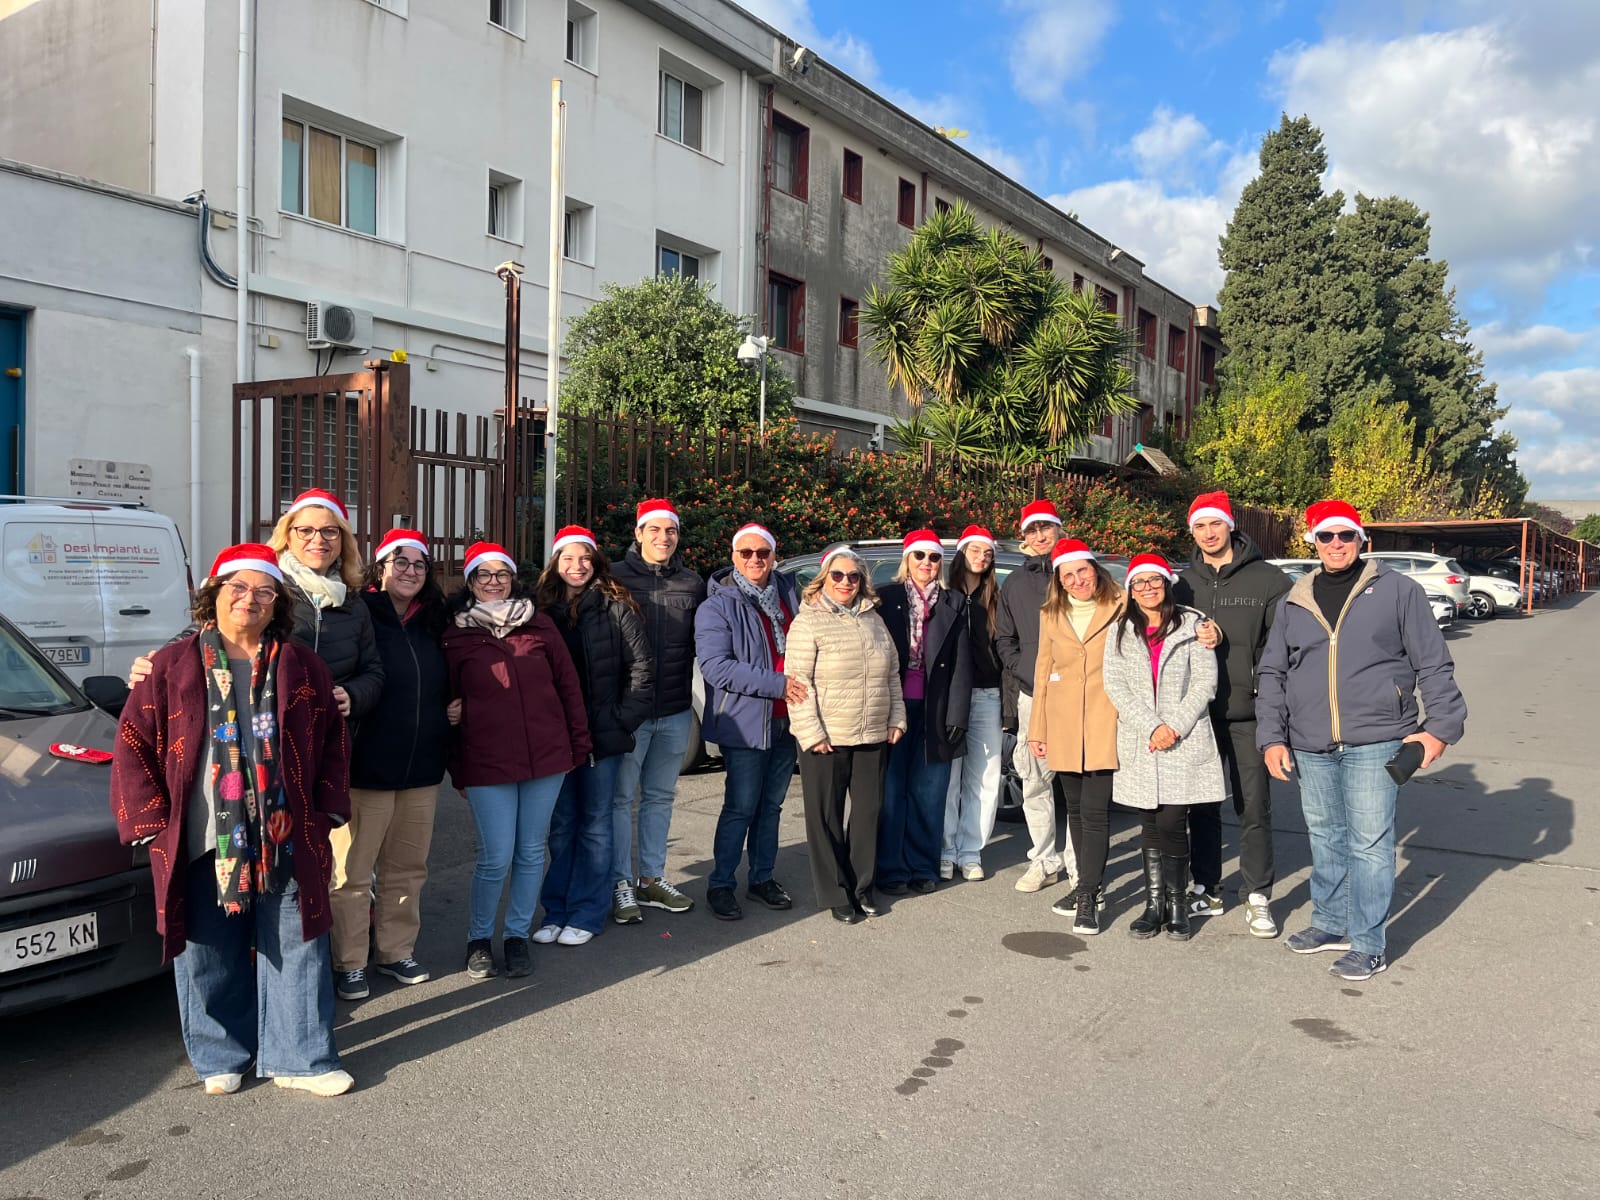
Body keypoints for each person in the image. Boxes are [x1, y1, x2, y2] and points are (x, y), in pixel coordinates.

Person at [110, 544, 354, 1097]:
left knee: (298, 943)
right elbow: (132, 742)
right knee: (205, 948)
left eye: (263, 591)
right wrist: (148, 819)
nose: (250, 599)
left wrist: (330, 807)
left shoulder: (303, 665)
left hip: (286, 832)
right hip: (200, 836)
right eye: (237, 588)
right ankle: (222, 1054)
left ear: (277, 605)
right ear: (214, 596)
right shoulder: (170, 666)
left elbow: (334, 741)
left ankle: (303, 1058)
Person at [1256, 500, 1467, 981]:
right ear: (1313, 541)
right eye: (1326, 536)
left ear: (1361, 539)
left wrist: (1440, 729)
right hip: (1310, 742)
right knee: (1326, 837)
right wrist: (1272, 736)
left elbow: (1433, 663)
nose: (1336, 544)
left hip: (1377, 738)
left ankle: (1369, 944)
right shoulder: (1296, 599)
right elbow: (1272, 672)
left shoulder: (1397, 591)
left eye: (1345, 536)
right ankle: (1330, 923)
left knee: (1370, 845)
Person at [442, 541, 591, 980]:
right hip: (488, 762)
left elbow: (569, 687)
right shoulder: (455, 635)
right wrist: (457, 765)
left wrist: (576, 747)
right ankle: (479, 938)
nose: (494, 582)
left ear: (513, 579)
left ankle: (515, 937)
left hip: (546, 758)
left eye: (501, 574)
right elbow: (445, 703)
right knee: (495, 857)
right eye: (484, 575)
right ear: (470, 583)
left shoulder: (540, 625)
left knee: (530, 853)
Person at [329, 529, 458, 1001]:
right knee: (351, 874)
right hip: (367, 768)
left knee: (407, 868)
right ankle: (348, 961)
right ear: (380, 568)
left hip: (422, 768)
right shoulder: (359, 613)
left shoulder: (435, 621)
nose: (409, 572)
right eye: (400, 563)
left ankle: (395, 951)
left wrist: (455, 704)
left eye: (419, 565)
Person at [1174, 491, 1291, 938]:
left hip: (1249, 714)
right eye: (1200, 526)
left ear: (1229, 526)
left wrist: (1270, 700)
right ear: (1193, 532)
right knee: (1202, 806)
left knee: (1253, 806)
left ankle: (1258, 895)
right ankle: (1206, 887)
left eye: (1215, 524)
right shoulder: (1182, 583)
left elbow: (1280, 648)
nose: (1208, 533)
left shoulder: (1268, 581)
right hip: (1197, 715)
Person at [534, 526, 654, 947]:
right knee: (562, 824)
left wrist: (622, 720)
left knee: (596, 825)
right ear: (556, 563)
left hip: (603, 736)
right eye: (568, 558)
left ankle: (587, 911)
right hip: (557, 736)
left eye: (585, 558)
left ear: (596, 562)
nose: (577, 566)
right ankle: (557, 910)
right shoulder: (541, 608)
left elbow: (641, 667)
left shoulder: (616, 604)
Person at [1100, 554, 1226, 942]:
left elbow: (1205, 683)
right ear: (1131, 590)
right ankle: (1154, 905)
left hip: (1182, 739)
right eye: (1140, 583)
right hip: (1142, 738)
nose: (1148, 588)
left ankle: (1177, 904)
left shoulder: (1193, 625)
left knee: (1172, 821)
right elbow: (1115, 684)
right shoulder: (1120, 630)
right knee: (1150, 822)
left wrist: (1173, 727)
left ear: (1166, 584)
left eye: (1155, 581)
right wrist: (1152, 726)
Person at [785, 546, 906, 923]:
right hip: (827, 736)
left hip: (872, 732)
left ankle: (862, 887)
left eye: (854, 576)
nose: (846, 582)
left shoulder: (873, 618)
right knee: (825, 817)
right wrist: (811, 732)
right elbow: (798, 683)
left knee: (868, 813)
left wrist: (896, 718)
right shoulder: (808, 622)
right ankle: (835, 892)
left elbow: (891, 674)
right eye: (838, 575)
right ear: (824, 579)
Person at [694, 522, 804, 921]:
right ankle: (721, 883)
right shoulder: (718, 605)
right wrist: (777, 684)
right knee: (740, 807)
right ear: (734, 558)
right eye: (747, 553)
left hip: (788, 720)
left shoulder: (792, 596)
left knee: (771, 807)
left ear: (775, 556)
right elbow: (716, 667)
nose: (755, 559)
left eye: (763, 553)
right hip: (745, 723)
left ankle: (762, 878)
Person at [609, 499, 706, 923]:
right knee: (619, 799)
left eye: (670, 531)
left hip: (675, 709)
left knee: (661, 798)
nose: (663, 538)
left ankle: (650, 880)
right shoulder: (613, 577)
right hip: (630, 713)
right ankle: (618, 884)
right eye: (654, 530)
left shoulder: (691, 581)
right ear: (638, 533)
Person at [1026, 539, 1123, 932]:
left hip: (1105, 717)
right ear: (1059, 581)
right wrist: (1037, 728)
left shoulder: (1121, 603)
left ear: (1095, 569)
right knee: (1077, 811)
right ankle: (1089, 885)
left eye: (1083, 570)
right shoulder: (1051, 613)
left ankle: (1087, 895)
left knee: (1097, 812)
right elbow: (1041, 669)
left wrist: (1207, 629)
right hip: (1063, 721)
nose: (1078, 580)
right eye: (1068, 575)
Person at [876, 530, 970, 895]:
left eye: (933, 558)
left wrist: (957, 716)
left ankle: (922, 866)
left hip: (937, 709)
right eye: (919, 556)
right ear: (907, 560)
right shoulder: (886, 598)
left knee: (929, 793)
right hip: (892, 707)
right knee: (892, 790)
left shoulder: (955, 602)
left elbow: (962, 663)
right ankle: (890, 869)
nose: (926, 564)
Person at [996, 499, 1074, 893]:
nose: (1040, 535)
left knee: (1076, 782)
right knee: (1035, 779)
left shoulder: (1077, 570)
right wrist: (1033, 675)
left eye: (1046, 527)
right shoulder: (1015, 583)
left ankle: (1079, 866)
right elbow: (1005, 641)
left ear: (1059, 529)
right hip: (1033, 694)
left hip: (1078, 697)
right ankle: (1044, 859)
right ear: (1024, 536)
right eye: (1032, 530)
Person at [942, 525, 1004, 881]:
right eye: (975, 550)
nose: (981, 558)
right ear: (962, 553)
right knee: (948, 779)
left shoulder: (997, 597)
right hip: (949, 697)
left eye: (988, 553)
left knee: (984, 778)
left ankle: (971, 851)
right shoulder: (944, 594)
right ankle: (945, 850)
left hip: (986, 695)